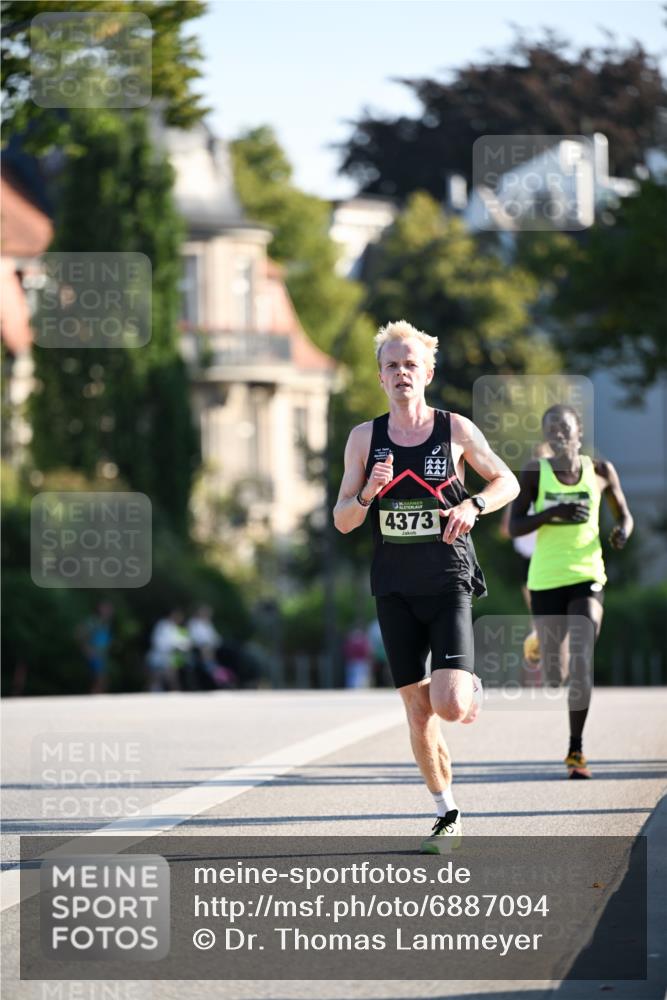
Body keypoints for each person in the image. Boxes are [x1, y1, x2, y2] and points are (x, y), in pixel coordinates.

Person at [334, 320, 519, 851]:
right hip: (392, 587)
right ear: (380, 377)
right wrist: (368, 492)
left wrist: (473, 503)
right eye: (391, 366)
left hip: (447, 580)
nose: (401, 373)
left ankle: (468, 689)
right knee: (418, 710)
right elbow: (343, 519)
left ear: (428, 372)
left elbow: (506, 480)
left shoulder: (454, 429)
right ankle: (446, 812)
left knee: (451, 705)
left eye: (410, 364)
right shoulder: (364, 439)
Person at [509, 404, 633, 778]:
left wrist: (623, 531)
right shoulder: (535, 473)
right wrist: (551, 513)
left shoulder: (599, 472)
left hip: (587, 575)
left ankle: (575, 750)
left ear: (579, 431)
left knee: (581, 656)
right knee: (555, 674)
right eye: (551, 430)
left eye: (564, 428)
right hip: (546, 580)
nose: (558, 435)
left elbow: (623, 513)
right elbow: (515, 526)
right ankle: (540, 642)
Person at [147, 609, 191, 692]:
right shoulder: (163, 625)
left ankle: (175, 696)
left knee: (172, 678)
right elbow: (159, 642)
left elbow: (184, 644)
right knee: (156, 678)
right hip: (158, 657)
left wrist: (180, 647)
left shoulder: (177, 628)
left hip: (170, 658)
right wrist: (176, 646)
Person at [77, 602, 114, 695]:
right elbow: (80, 634)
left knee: (102, 679)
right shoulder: (94, 621)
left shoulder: (106, 623)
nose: (109, 611)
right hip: (94, 654)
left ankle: (97, 698)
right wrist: (87, 649)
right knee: (99, 678)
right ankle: (94, 698)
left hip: (102, 655)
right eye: (106, 609)